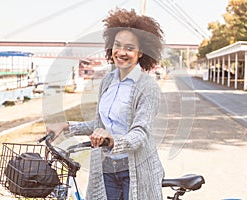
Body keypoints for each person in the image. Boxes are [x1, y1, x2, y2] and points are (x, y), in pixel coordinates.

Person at [46, 8, 164, 200]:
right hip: (107, 169)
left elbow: (140, 133)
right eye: (117, 45)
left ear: (141, 52)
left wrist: (113, 140)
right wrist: (67, 127)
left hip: (135, 171)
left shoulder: (147, 87)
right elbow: (100, 125)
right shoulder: (108, 81)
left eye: (129, 47)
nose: (122, 52)